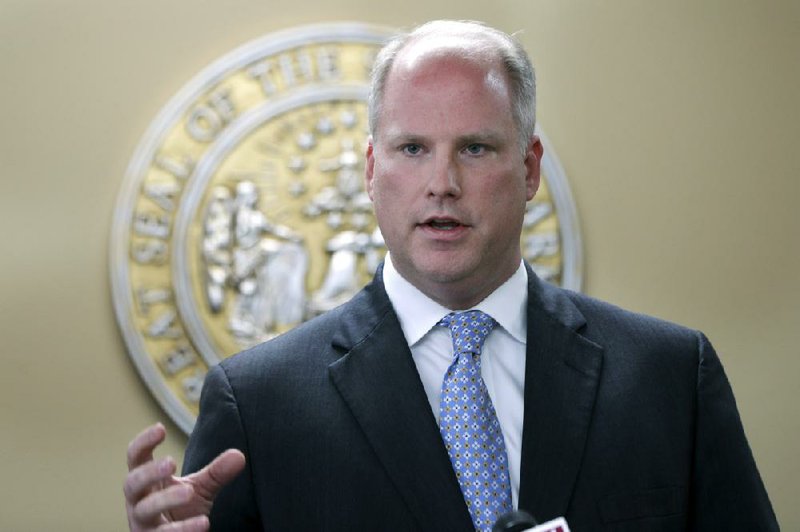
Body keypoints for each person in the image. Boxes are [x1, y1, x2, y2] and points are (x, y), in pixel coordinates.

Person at [124, 20, 778, 531]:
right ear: (372, 172)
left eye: (475, 148)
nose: (442, 184)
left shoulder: (668, 377)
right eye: (413, 149)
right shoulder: (257, 405)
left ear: (528, 170)